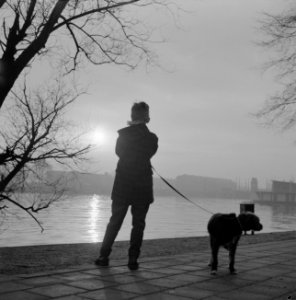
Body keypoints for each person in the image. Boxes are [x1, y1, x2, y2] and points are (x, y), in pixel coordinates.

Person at [95, 102, 158, 270]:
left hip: (123, 184)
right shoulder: (152, 138)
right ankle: (132, 259)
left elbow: (119, 153)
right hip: (142, 186)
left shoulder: (122, 136)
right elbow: (149, 153)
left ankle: (103, 256)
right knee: (138, 224)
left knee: (114, 221)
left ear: (132, 116)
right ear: (146, 117)